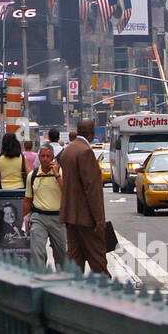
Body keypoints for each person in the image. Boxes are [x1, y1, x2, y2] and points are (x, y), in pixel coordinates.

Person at [58, 117, 108, 275]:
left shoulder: (68, 150)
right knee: (98, 259)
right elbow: (91, 188)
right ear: (92, 133)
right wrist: (99, 219)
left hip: (70, 215)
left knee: (75, 260)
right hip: (86, 218)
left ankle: (73, 294)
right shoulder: (85, 152)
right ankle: (106, 294)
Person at [22, 143, 67, 271]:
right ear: (39, 157)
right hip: (39, 217)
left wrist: (57, 174)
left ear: (53, 157)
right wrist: (24, 219)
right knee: (37, 250)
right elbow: (27, 199)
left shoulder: (60, 172)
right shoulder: (33, 175)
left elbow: (67, 192)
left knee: (61, 254)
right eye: (42, 156)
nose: (45, 159)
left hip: (58, 218)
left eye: (48, 156)